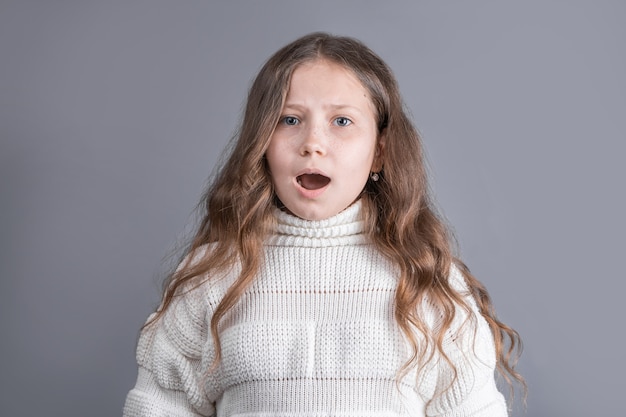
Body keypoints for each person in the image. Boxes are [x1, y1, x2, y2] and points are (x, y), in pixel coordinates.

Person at [123, 32, 524, 417]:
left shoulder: (428, 282)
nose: (313, 142)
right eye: (289, 120)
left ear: (379, 152)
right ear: (261, 143)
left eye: (342, 122)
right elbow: (160, 407)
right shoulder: (210, 279)